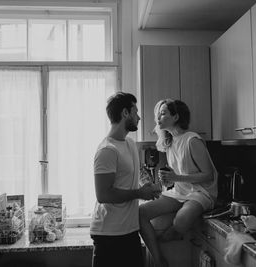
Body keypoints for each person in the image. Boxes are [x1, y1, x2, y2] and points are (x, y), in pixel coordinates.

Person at [139, 99, 218, 267]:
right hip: (180, 191)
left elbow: (208, 175)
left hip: (201, 193)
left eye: (163, 113)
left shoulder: (192, 140)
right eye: (158, 114)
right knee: (140, 213)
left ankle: (172, 233)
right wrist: (166, 181)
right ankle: (158, 259)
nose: (158, 118)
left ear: (175, 117)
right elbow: (177, 176)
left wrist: (176, 178)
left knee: (181, 220)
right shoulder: (169, 142)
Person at [90, 92, 161, 267]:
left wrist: (147, 187)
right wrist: (139, 193)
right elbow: (103, 195)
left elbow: (129, 177)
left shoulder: (129, 143)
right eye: (135, 111)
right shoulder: (107, 150)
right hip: (109, 235)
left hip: (129, 230)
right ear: (125, 113)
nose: (139, 117)